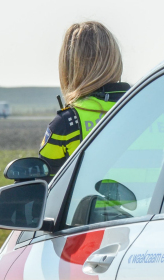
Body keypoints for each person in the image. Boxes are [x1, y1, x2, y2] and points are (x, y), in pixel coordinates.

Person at [39, 21, 130, 175]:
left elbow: (45, 188)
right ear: (115, 60)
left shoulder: (67, 123)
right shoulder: (154, 111)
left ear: (69, 66)